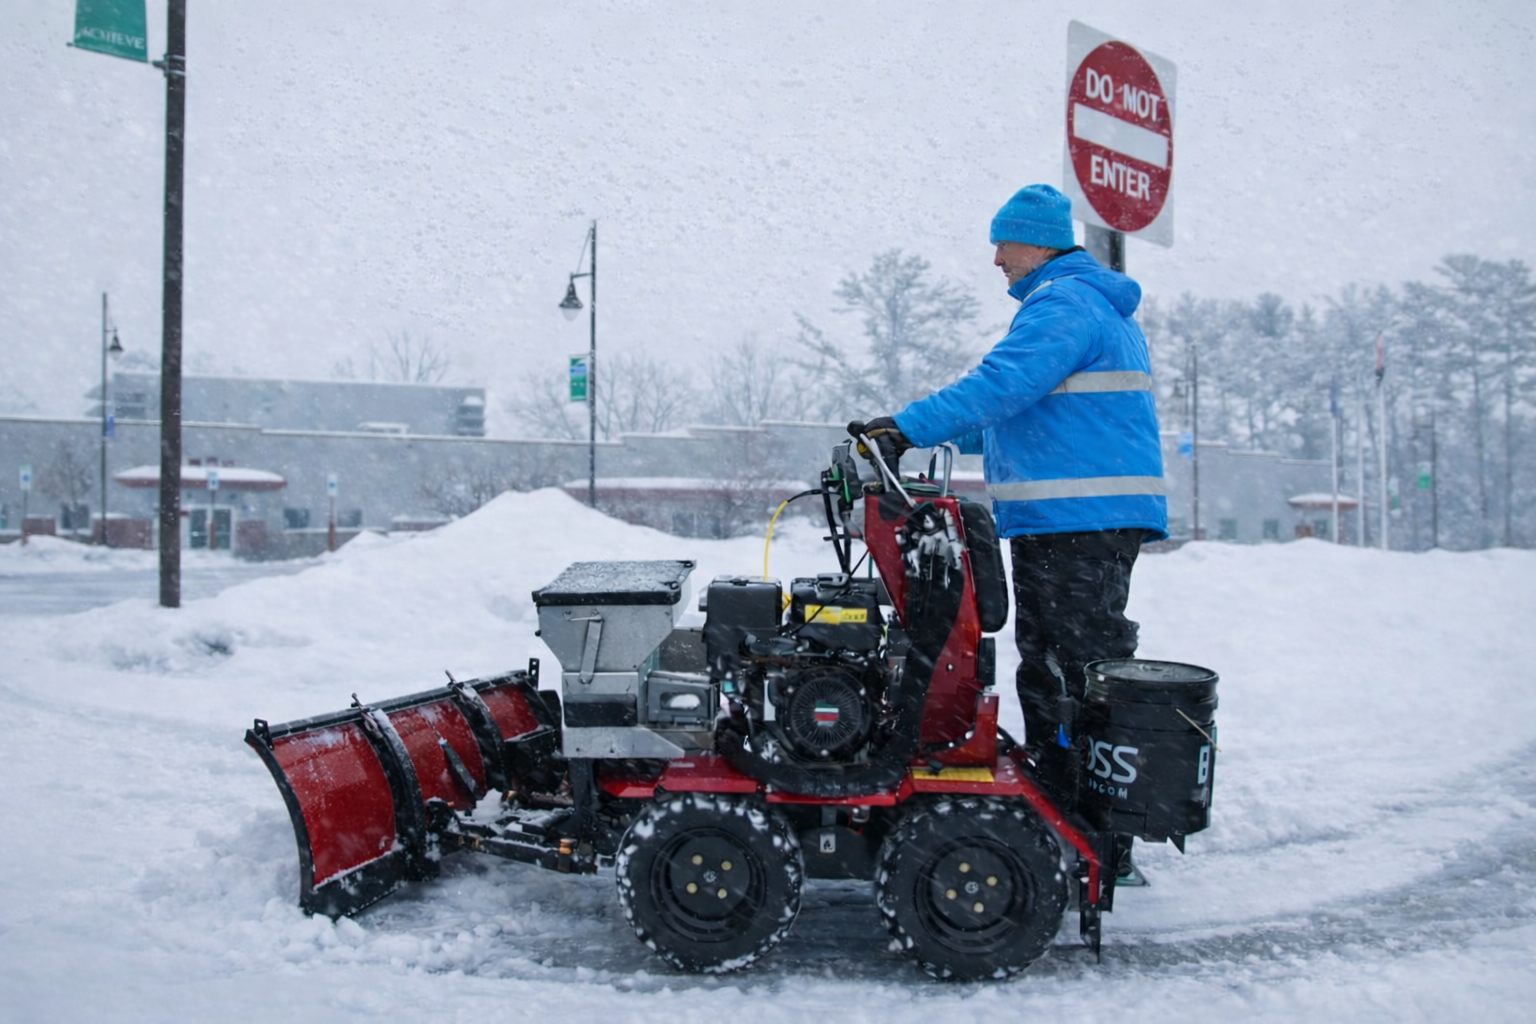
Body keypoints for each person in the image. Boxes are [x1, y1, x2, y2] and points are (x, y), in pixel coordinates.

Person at [855, 183, 1167, 842]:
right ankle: (1069, 802)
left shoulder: (1064, 303)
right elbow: (1015, 416)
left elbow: (1001, 386)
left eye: (1004, 244)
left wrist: (907, 428)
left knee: (1068, 668)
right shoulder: (1082, 304)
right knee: (1056, 661)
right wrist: (926, 435)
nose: (997, 259)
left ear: (1038, 243)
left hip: (1080, 521)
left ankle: (1084, 821)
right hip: (1079, 519)